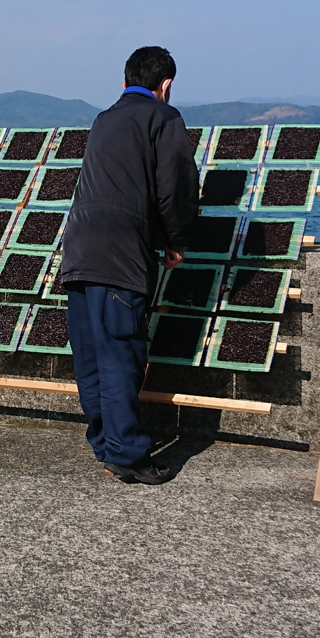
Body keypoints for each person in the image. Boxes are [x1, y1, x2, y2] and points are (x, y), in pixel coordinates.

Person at [61, 46, 200, 485]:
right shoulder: (164, 118)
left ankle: (104, 444)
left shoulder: (103, 120)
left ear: (124, 82)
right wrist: (175, 241)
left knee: (91, 355)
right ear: (166, 86)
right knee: (122, 353)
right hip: (122, 255)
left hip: (80, 250)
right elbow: (173, 188)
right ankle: (128, 455)